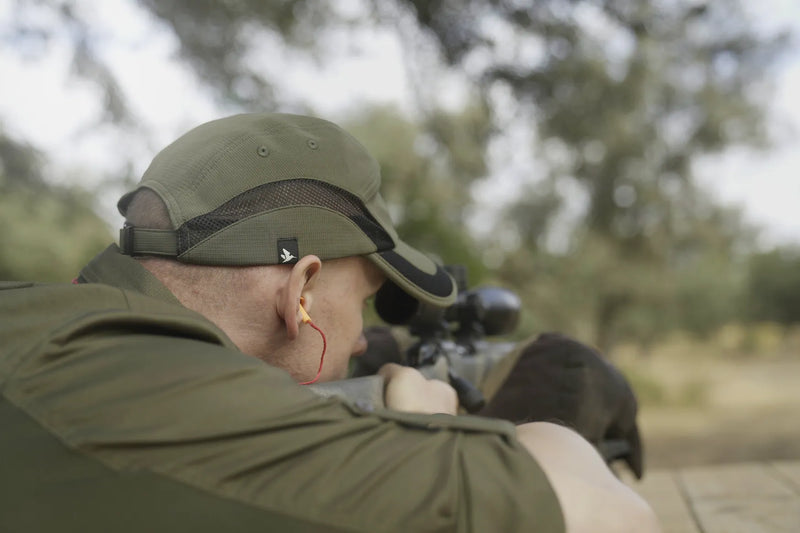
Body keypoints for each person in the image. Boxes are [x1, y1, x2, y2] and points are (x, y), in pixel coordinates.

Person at [0, 112, 659, 532]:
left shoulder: (50, 326)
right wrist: (430, 431)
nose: (362, 338)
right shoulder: (168, 402)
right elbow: (620, 518)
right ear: (302, 290)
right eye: (367, 301)